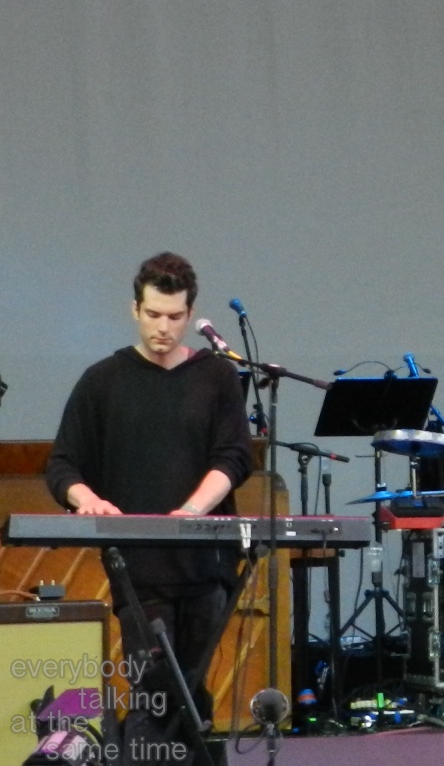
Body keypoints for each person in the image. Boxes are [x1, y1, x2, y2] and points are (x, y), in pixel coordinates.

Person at [45, 253, 253, 755]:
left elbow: (234, 456)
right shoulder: (103, 381)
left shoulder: (216, 377)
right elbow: (63, 465)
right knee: (155, 692)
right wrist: (88, 500)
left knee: (193, 693)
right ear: (134, 310)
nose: (164, 327)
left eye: (175, 316)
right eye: (154, 314)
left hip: (206, 564)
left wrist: (192, 512)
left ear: (190, 313)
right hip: (139, 568)